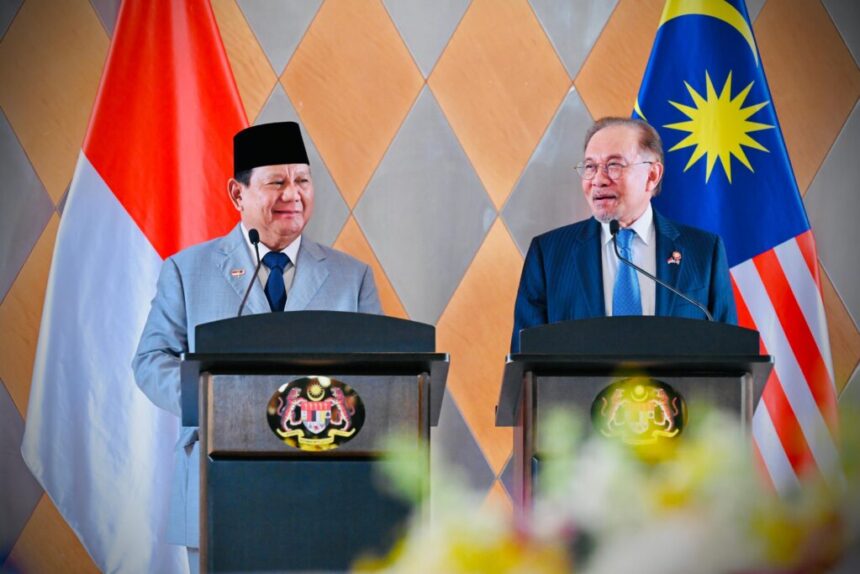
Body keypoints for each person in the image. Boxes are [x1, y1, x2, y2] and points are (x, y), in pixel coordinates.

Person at [132, 121, 380, 566]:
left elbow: (380, 379)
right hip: (220, 484)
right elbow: (151, 361)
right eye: (277, 182)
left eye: (302, 180)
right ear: (237, 193)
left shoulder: (352, 276)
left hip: (325, 490)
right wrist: (217, 400)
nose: (293, 194)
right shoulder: (187, 271)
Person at [511, 117, 736, 352]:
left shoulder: (703, 252)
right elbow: (525, 363)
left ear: (652, 175)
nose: (598, 179)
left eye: (614, 165)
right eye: (590, 167)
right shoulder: (549, 256)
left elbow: (728, 353)